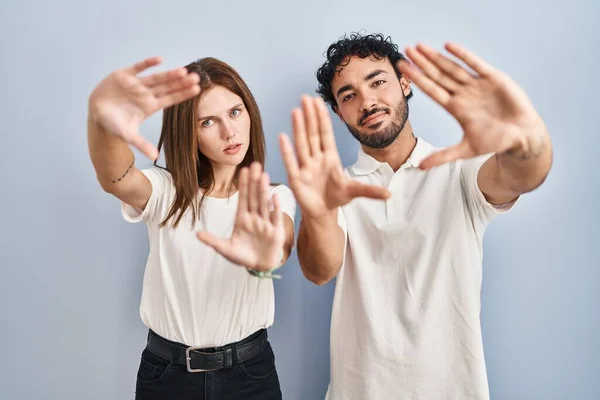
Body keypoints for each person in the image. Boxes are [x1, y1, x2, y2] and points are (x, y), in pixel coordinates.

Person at [278, 33, 552, 399]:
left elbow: (522, 174)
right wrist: (320, 212)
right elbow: (319, 269)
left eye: (377, 82)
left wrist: (527, 142)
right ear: (339, 112)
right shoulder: (335, 188)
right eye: (349, 95)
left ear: (404, 83)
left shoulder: (460, 171)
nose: (368, 101)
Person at [87, 56, 295, 399]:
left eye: (235, 112)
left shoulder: (272, 196)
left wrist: (267, 253)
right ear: (189, 132)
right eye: (208, 121)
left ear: (250, 113)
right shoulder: (167, 192)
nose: (229, 131)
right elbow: (117, 179)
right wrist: (101, 124)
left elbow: (281, 243)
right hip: (168, 376)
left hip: (250, 374)